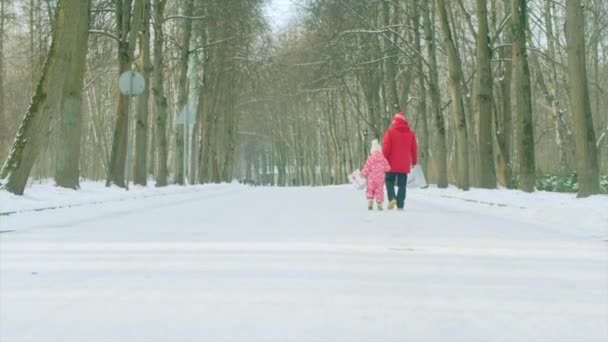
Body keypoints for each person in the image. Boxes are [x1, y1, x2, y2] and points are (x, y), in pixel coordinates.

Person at [383, 112, 418, 210]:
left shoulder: (390, 132)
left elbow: (386, 148)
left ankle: (392, 198)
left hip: (391, 164)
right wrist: (414, 161)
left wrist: (383, 160)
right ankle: (400, 204)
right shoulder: (411, 134)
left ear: (394, 121)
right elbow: (414, 149)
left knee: (389, 181)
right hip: (404, 165)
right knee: (402, 185)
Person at [361, 139, 391, 210]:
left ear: (372, 150)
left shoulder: (370, 159)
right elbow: (388, 168)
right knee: (379, 191)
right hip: (380, 180)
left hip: (371, 179)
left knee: (370, 190)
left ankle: (370, 202)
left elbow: (366, 168)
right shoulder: (383, 159)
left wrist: (362, 174)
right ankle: (379, 204)